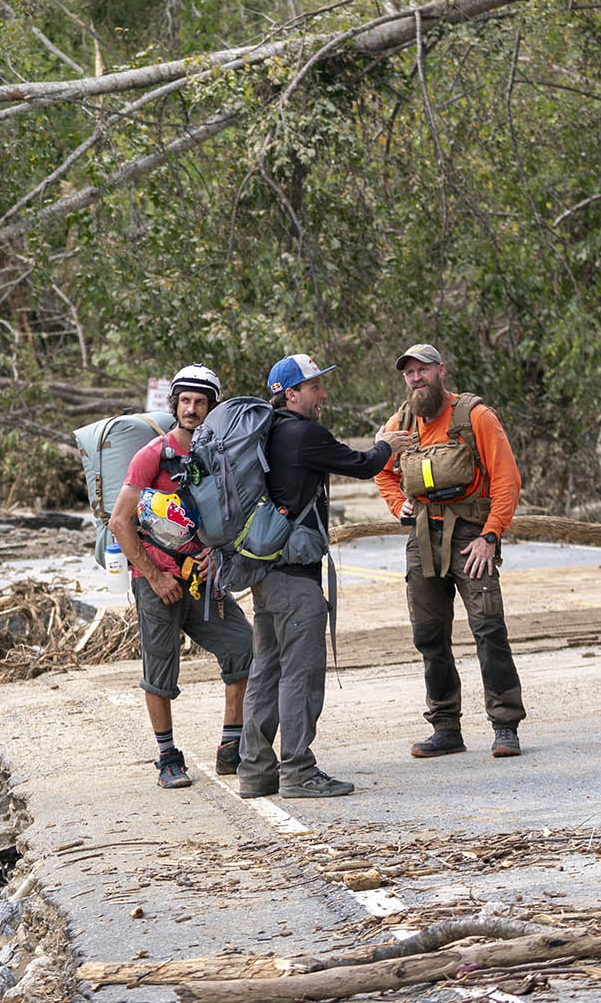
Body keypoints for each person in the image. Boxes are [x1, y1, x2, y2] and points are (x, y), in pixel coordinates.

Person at [235, 354, 396, 800]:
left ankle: (256, 771)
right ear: (291, 393)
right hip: (295, 579)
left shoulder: (266, 434)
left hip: (265, 573)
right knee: (300, 675)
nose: (322, 395)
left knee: (266, 670)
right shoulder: (303, 433)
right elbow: (363, 464)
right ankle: (298, 772)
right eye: (314, 387)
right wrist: (387, 445)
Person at [374, 343, 527, 759]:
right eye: (409, 373)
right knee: (428, 635)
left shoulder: (475, 416)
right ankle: (445, 728)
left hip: (471, 535)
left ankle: (506, 725)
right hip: (422, 535)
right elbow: (382, 471)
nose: (416, 378)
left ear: (441, 370)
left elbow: (506, 480)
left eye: (422, 370)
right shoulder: (400, 425)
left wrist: (491, 536)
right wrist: (396, 504)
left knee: (488, 628)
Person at [109, 364, 251, 789]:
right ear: (175, 405)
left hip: (203, 580)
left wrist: (216, 554)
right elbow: (120, 521)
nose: (192, 409)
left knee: (245, 648)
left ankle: (231, 748)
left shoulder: (218, 456)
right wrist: (153, 577)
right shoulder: (151, 455)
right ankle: (168, 757)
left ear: (212, 407)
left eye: (200, 402)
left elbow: (229, 518)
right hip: (158, 582)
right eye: (185, 401)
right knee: (160, 671)